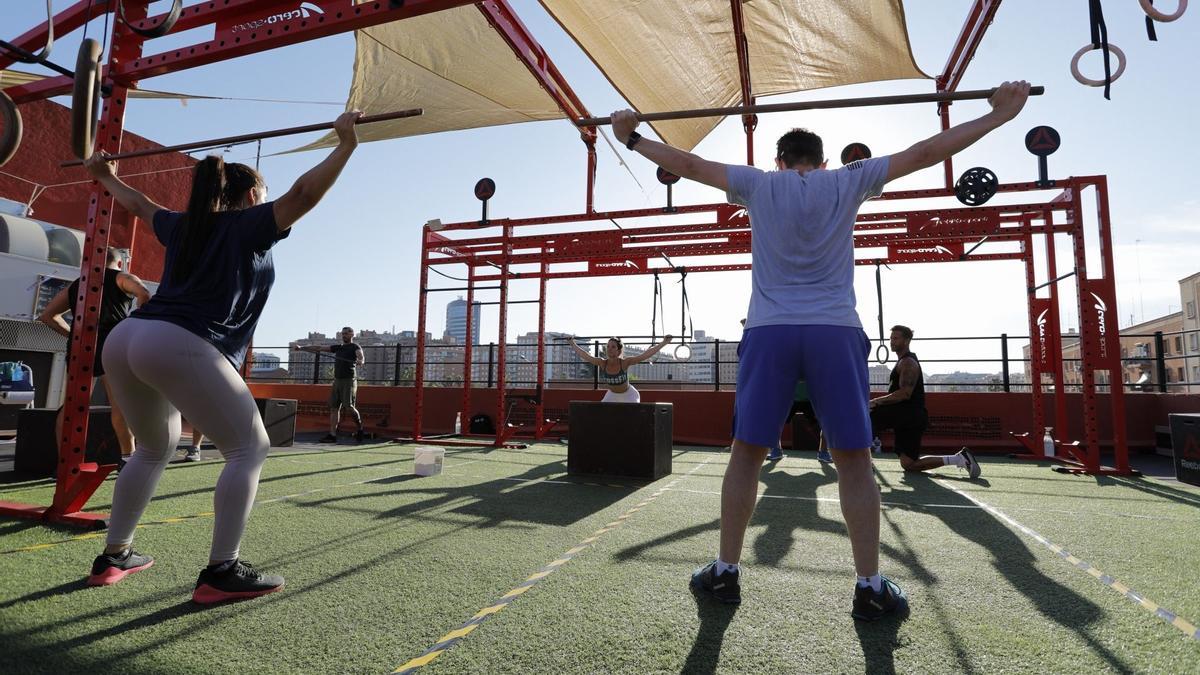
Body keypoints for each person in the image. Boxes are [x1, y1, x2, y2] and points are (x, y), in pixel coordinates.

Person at [607, 80, 1030, 618]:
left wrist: (631, 138)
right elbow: (926, 153)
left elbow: (687, 165)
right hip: (835, 332)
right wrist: (999, 116)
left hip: (771, 331)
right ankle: (870, 588)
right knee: (853, 460)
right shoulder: (846, 181)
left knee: (746, 456)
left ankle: (725, 575)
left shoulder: (759, 184)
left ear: (779, 160)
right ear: (823, 159)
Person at [80, 110, 363, 603]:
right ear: (252, 195)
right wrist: (345, 145)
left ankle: (115, 555)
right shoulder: (249, 224)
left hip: (127, 338)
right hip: (178, 340)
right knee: (249, 448)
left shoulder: (184, 225)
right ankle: (220, 572)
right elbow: (300, 196)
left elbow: (140, 204)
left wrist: (105, 176)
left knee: (151, 448)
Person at [39, 247, 151, 469]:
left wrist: (73, 333)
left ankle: (65, 464)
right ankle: (127, 459)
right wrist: (137, 322)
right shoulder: (123, 277)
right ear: (119, 263)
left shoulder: (77, 284)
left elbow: (47, 316)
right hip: (112, 346)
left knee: (72, 406)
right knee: (119, 405)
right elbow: (144, 293)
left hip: (81, 346)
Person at [869, 325, 980, 479]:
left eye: (896, 338)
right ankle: (959, 458)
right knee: (909, 464)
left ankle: (864, 464)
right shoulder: (902, 361)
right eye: (891, 338)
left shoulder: (908, 363)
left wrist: (875, 401)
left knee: (868, 415)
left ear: (907, 340)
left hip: (909, 415)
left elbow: (905, 394)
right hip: (909, 417)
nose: (892, 342)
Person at [301, 326, 364, 443]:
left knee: (349, 407)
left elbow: (360, 356)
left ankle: (360, 428)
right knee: (334, 408)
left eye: (346, 333)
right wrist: (302, 348)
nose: (344, 335)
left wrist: (361, 361)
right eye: (343, 333)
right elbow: (319, 348)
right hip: (337, 380)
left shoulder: (355, 347)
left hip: (349, 380)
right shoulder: (338, 348)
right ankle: (332, 434)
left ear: (352, 335)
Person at [567, 336, 672, 402]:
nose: (609, 349)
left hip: (629, 395)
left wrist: (664, 342)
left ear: (618, 350)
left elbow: (645, 355)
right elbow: (585, 355)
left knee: (633, 416)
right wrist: (572, 343)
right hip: (612, 395)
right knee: (600, 414)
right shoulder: (602, 363)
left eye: (613, 347)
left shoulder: (625, 363)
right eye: (608, 346)